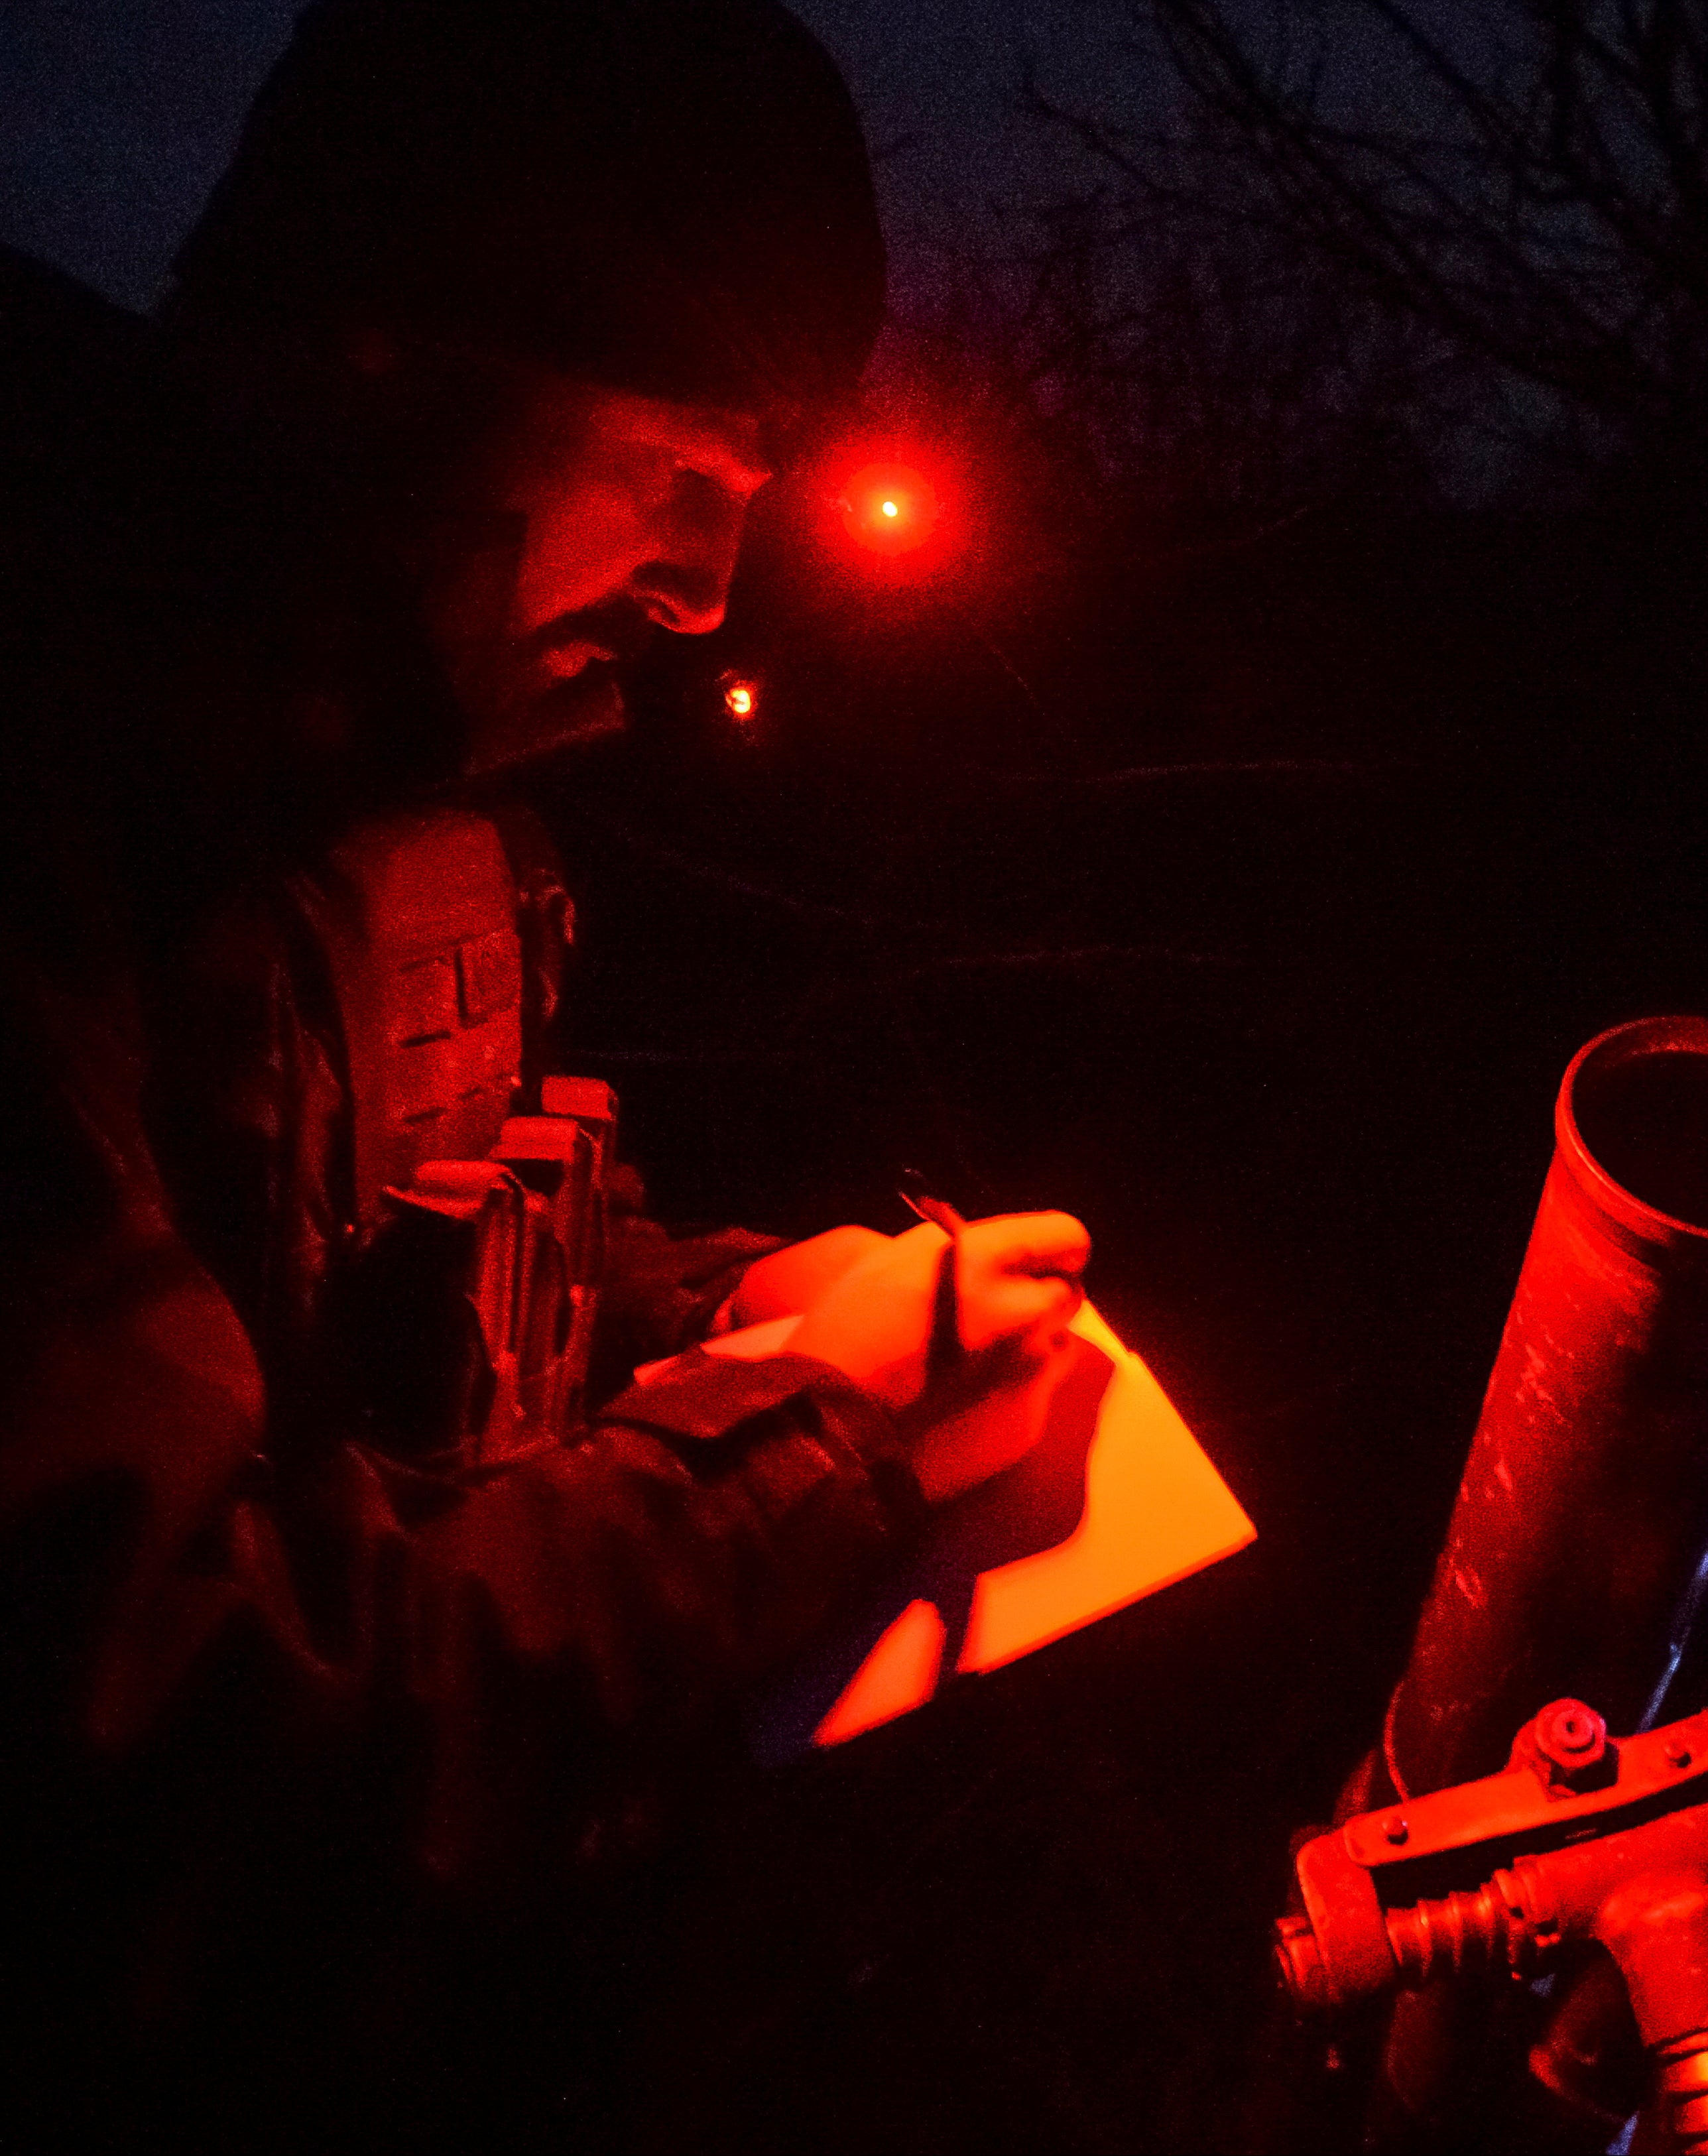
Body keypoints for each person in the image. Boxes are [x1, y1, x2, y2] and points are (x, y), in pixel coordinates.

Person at [0, 3, 1085, 2141]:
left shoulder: (351, 779)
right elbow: (168, 1746)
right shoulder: (54, 795)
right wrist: (807, 1439)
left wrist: (739, 1309)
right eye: (685, 481)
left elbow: (375, 1293)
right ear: (386, 364)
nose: (705, 598)